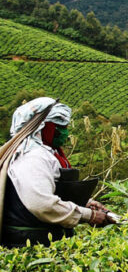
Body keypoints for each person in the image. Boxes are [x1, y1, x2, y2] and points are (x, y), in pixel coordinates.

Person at [1, 97, 113, 248]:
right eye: (59, 126)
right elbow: (42, 204)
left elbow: (50, 189)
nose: (64, 131)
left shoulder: (45, 153)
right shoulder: (32, 157)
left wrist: (85, 203)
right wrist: (89, 215)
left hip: (43, 242)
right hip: (29, 244)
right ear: (42, 127)